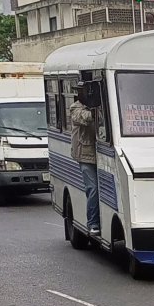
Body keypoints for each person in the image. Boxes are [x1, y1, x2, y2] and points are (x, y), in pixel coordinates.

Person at [70, 82, 99, 236]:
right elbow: (85, 118)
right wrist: (100, 109)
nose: (83, 94)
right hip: (85, 155)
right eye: (81, 91)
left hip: (100, 153)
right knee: (93, 188)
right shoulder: (76, 108)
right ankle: (93, 223)